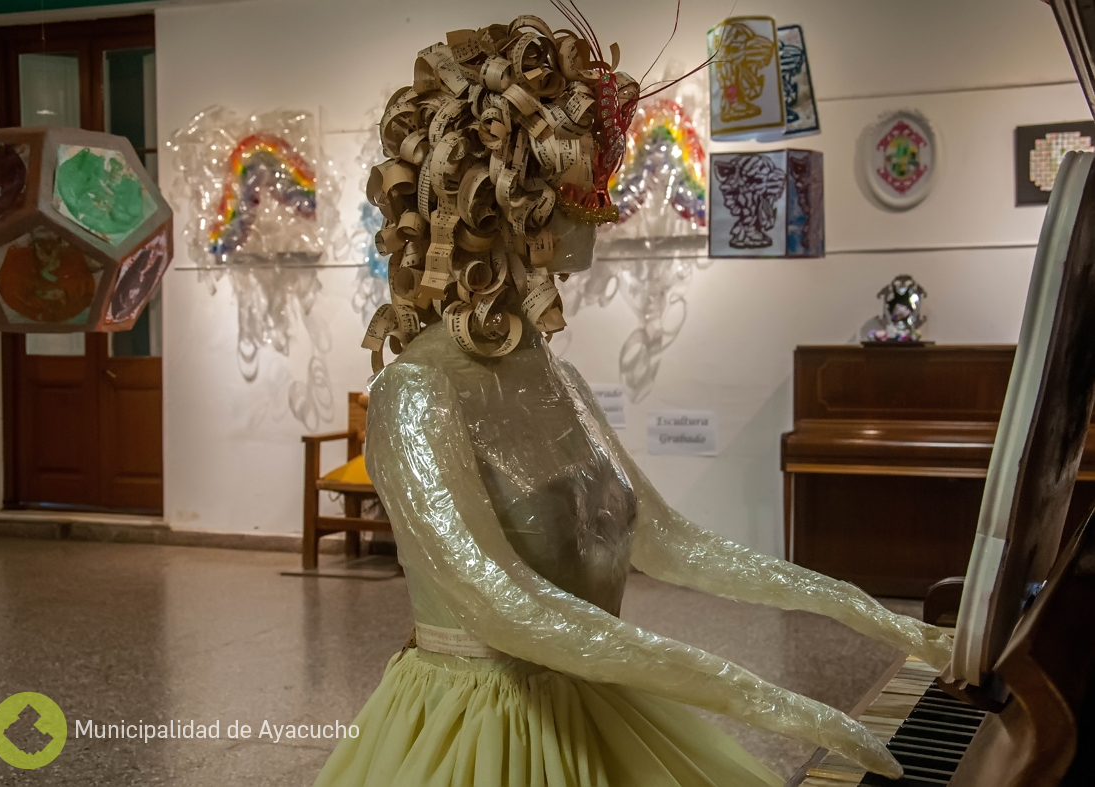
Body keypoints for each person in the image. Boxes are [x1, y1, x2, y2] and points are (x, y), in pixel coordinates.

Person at [315, 14, 951, 787]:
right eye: (580, 183)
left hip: (593, 701)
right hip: (482, 728)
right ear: (501, 197)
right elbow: (504, 605)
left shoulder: (560, 380)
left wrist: (876, 616)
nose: (602, 204)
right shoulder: (417, 391)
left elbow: (670, 542)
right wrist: (780, 704)